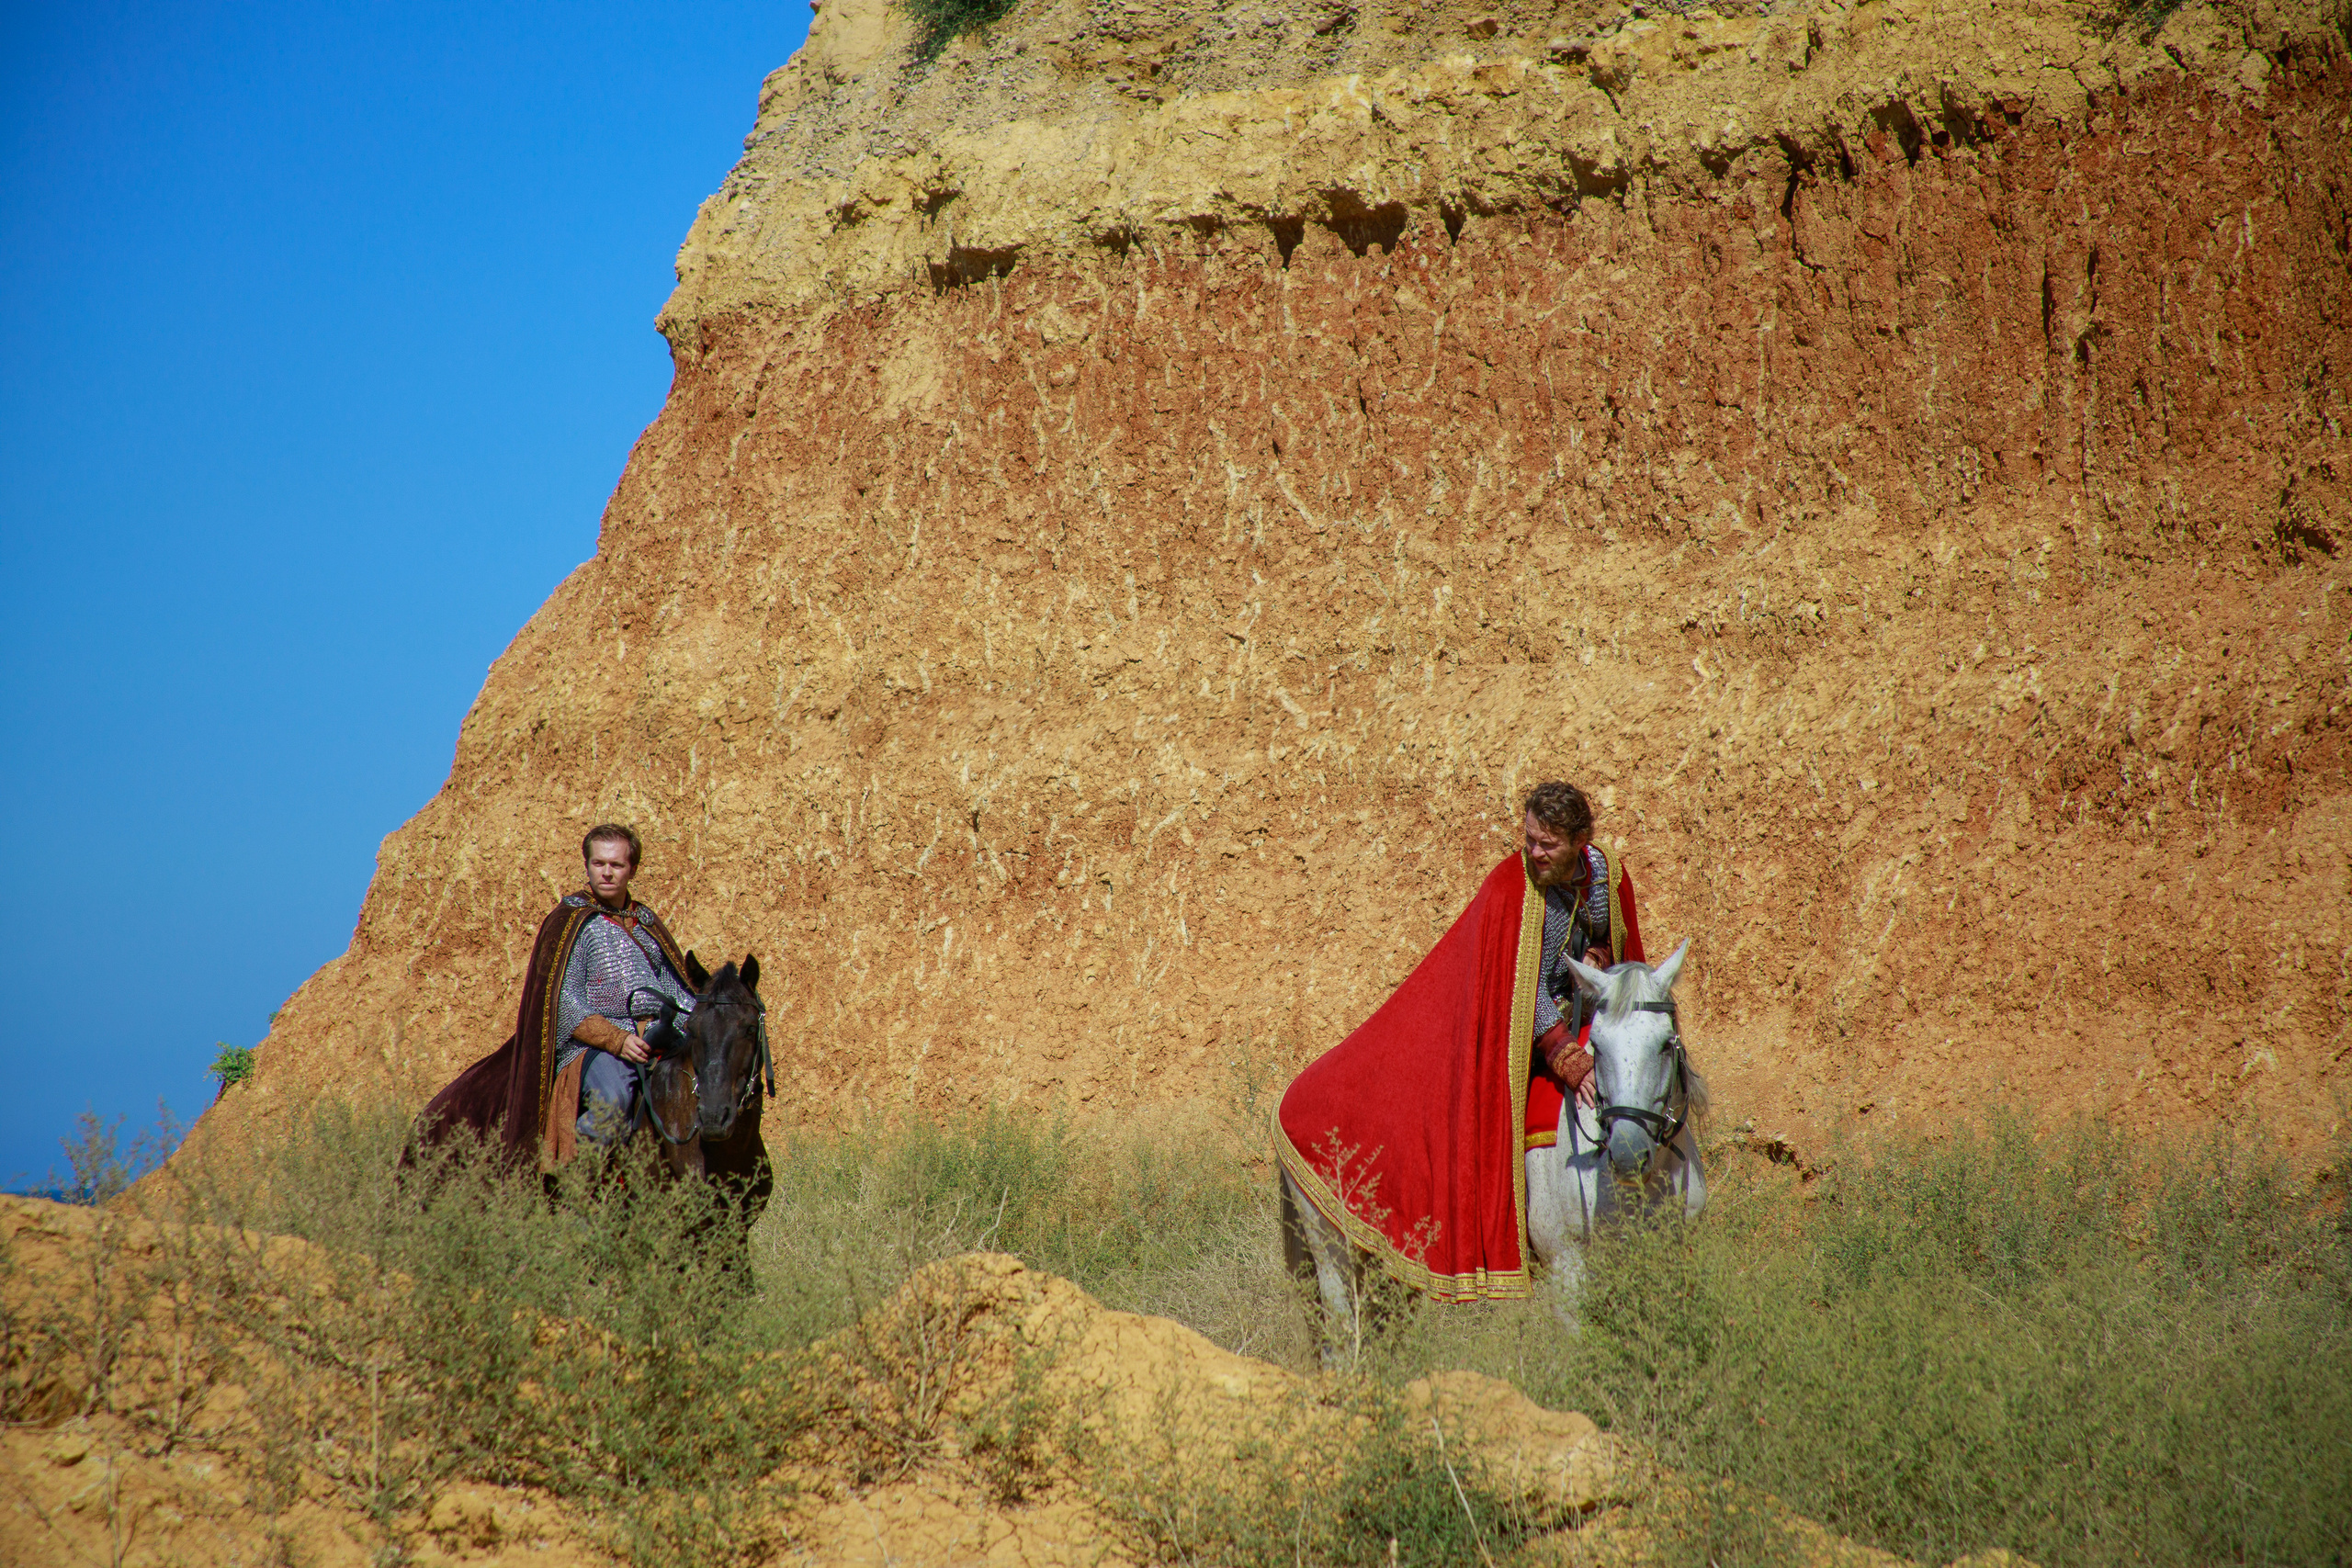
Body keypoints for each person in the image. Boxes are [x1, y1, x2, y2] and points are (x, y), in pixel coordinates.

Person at [1273, 781, 1644, 1302]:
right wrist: (1564, 1053)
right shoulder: (1511, 887)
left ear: (1581, 841)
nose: (1534, 852)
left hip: (1587, 1015)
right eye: (1530, 838)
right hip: (1516, 1032)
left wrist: (1600, 963)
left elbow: (1621, 949)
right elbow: (1519, 984)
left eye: (1548, 844)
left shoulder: (1606, 874)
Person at [412, 824, 697, 1170]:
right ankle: (575, 1190)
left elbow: (678, 990)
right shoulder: (572, 921)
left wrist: (693, 1022)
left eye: (616, 865)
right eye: (598, 863)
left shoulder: (646, 922)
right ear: (587, 865)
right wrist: (617, 1039)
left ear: (632, 869)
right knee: (614, 1099)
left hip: (658, 1037)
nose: (606, 872)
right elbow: (562, 1001)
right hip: (595, 1047)